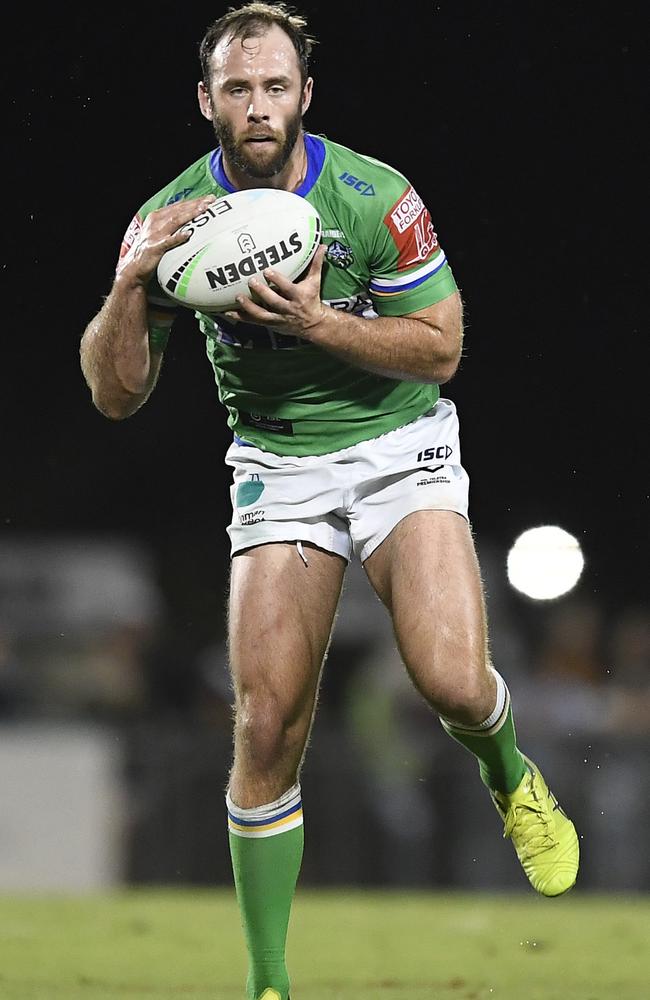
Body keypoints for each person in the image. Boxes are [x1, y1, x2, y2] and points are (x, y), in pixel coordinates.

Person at [79, 4, 579, 998]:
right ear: (206, 101)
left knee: (448, 681)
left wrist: (318, 324)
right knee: (264, 725)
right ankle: (268, 982)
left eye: (273, 86)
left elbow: (438, 348)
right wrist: (129, 284)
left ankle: (508, 771)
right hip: (277, 464)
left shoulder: (372, 196)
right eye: (236, 88)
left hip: (399, 445)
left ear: (303, 93)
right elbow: (114, 393)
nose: (256, 106)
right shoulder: (172, 218)